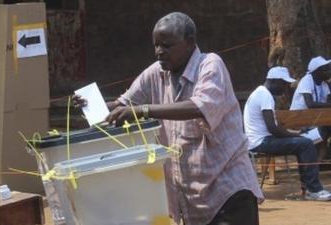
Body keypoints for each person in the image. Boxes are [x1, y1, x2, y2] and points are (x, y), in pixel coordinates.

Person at [74, 12, 263, 225]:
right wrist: (92, 106)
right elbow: (123, 106)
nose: (159, 52)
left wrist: (144, 111)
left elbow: (199, 106)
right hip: (192, 199)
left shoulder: (210, 65)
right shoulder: (155, 73)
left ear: (189, 43)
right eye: (156, 46)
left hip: (226, 191)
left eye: (166, 45)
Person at [243, 66, 331, 201]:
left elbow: (274, 126)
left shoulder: (261, 93)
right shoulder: (264, 95)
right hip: (261, 142)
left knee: (303, 143)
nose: (285, 88)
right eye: (283, 84)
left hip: (261, 140)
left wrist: (295, 132)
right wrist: (296, 136)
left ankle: (308, 187)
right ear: (273, 81)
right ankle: (314, 189)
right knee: (306, 143)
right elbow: (272, 128)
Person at [290, 56, 331, 155]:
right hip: (298, 120)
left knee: (325, 132)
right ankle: (313, 162)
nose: (329, 72)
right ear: (317, 71)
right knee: (324, 132)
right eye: (325, 70)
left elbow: (328, 104)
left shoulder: (324, 85)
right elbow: (310, 104)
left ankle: (317, 165)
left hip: (314, 120)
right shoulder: (306, 81)